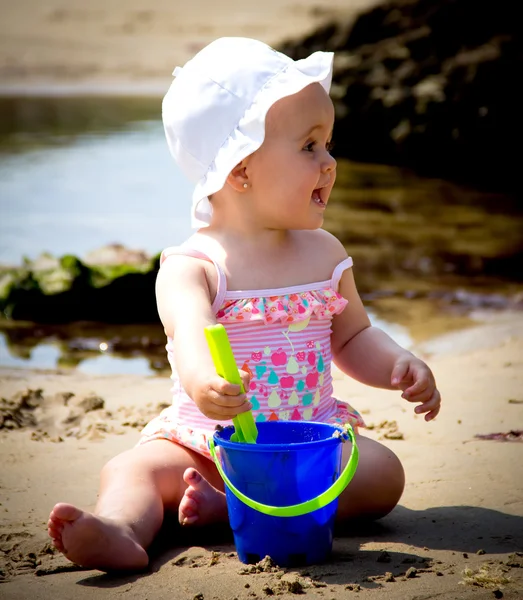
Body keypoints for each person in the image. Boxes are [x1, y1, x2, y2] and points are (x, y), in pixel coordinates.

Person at [47, 37, 441, 572]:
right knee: (132, 469)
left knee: (381, 473)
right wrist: (205, 382)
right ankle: (118, 526)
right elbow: (190, 332)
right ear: (240, 170)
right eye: (309, 147)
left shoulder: (326, 254)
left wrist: (398, 362)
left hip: (307, 445)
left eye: (328, 145)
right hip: (209, 448)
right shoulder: (196, 264)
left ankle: (229, 510)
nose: (329, 162)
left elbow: (351, 337)